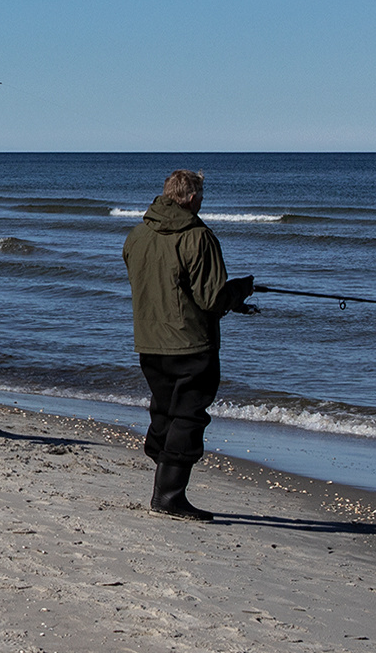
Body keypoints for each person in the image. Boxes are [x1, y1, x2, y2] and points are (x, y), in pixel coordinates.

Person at [122, 169, 255, 521]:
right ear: (192, 197)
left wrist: (231, 297)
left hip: (149, 343)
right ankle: (168, 497)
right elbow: (211, 298)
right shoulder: (199, 237)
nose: (201, 201)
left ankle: (160, 457)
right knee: (188, 417)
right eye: (201, 195)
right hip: (191, 345)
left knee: (166, 409)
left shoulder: (137, 234)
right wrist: (240, 289)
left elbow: (162, 284)